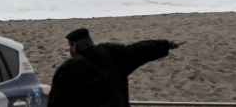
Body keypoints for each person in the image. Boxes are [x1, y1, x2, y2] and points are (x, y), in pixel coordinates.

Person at [48, 28, 185, 107]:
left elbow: (57, 103)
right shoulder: (111, 53)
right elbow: (140, 50)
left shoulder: (67, 69)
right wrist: (166, 44)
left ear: (74, 46)